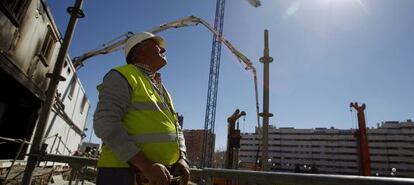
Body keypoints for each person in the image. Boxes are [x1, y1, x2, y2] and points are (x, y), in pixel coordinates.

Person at [94, 32, 189, 185]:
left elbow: (177, 127)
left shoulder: (162, 89)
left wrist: (182, 158)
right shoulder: (121, 75)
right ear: (141, 50)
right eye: (157, 46)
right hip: (122, 174)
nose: (163, 50)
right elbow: (105, 123)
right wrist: (145, 165)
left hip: (159, 174)